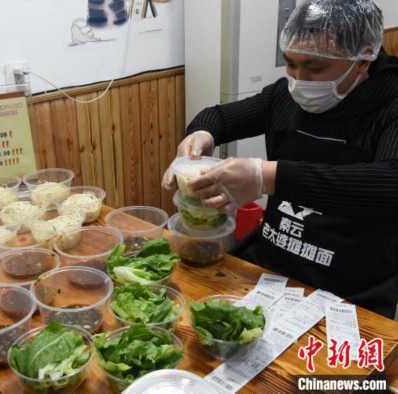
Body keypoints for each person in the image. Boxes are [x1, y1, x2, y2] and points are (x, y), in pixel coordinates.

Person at [162, 0, 398, 319]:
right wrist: (200, 136)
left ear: (363, 58)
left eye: (315, 67)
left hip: (350, 287)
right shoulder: (285, 96)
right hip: (270, 267)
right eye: (290, 63)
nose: (299, 80)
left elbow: (389, 183)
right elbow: (219, 117)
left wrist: (266, 177)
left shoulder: (390, 103)